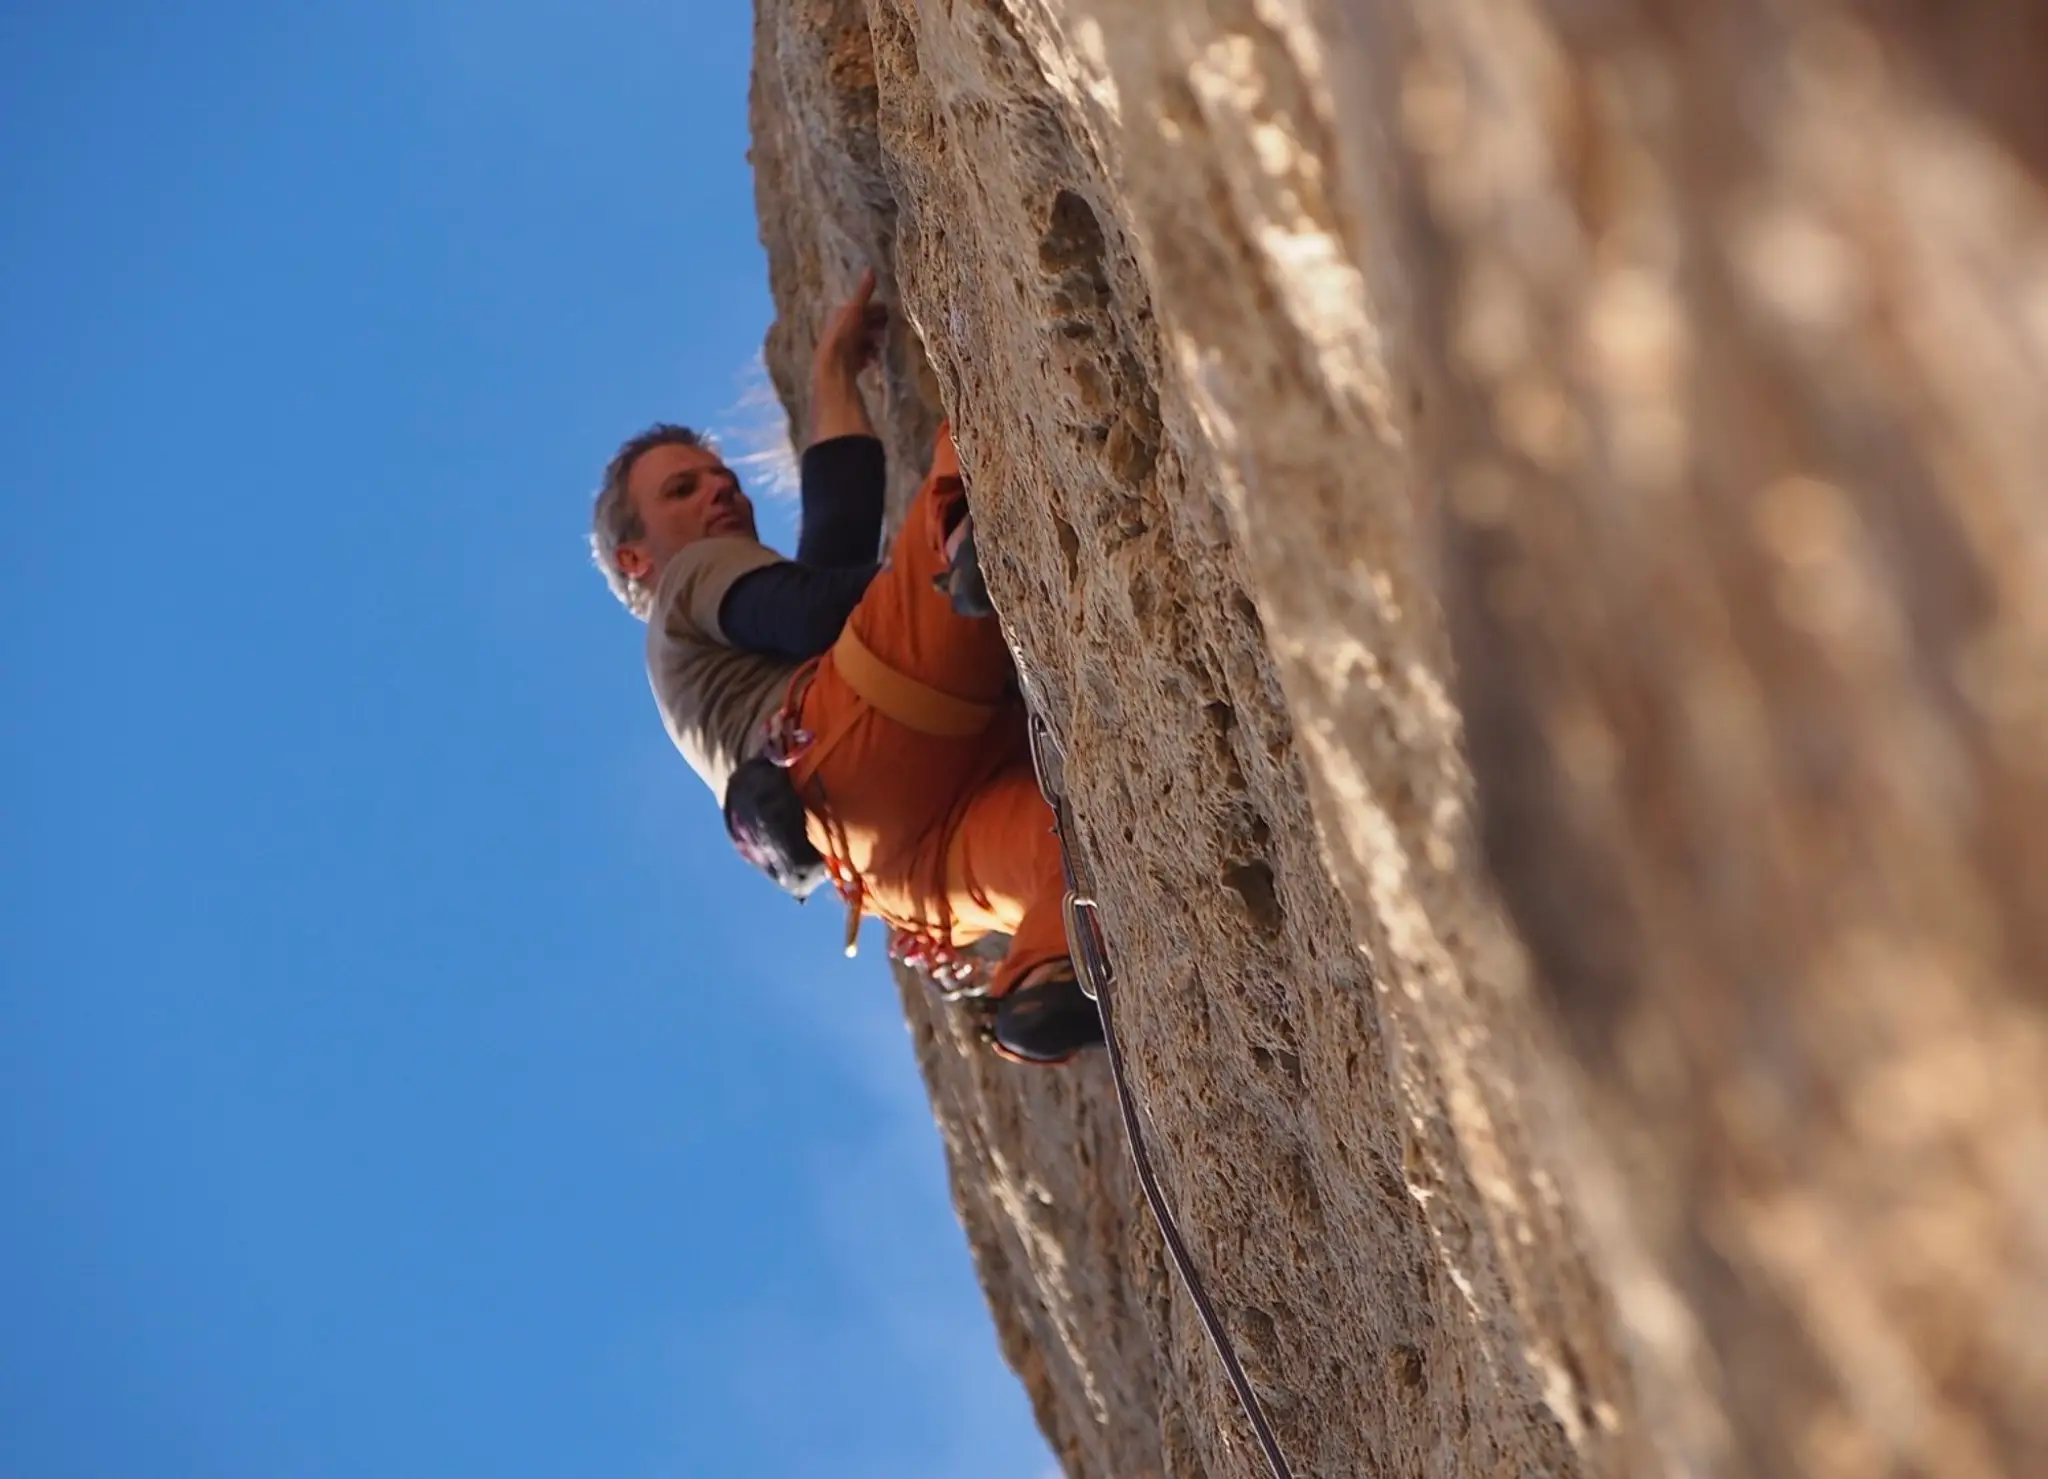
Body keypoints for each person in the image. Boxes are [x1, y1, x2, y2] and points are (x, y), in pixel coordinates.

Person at [588, 272, 1102, 1066]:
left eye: (719, 475)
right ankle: (963, 540)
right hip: (856, 737)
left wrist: (831, 376)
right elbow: (819, 610)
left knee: (1074, 849)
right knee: (983, 424)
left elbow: (831, 545)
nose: (718, 488)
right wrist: (921, 558)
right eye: (682, 489)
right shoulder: (687, 582)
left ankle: (1036, 982)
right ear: (635, 556)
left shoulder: (700, 666)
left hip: (888, 867)